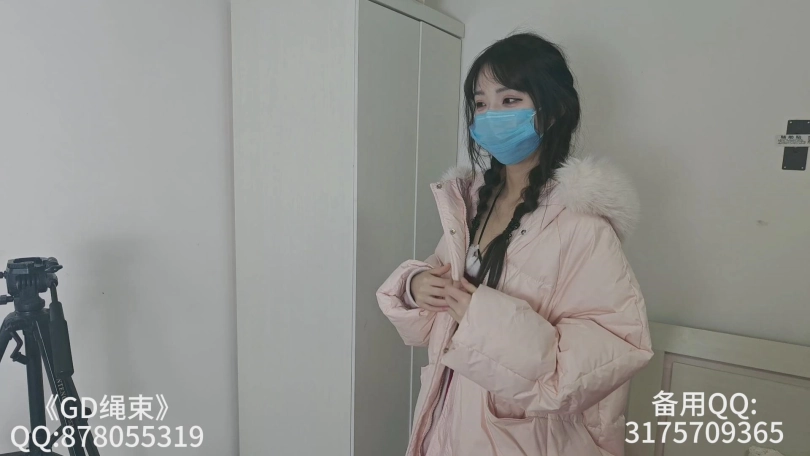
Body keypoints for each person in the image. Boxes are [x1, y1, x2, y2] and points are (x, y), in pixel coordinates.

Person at [376, 32, 653, 456]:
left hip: (525, 440)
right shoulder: (472, 204)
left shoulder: (581, 223)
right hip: (447, 423)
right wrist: (415, 286)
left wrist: (481, 319)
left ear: (553, 110)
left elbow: (613, 352)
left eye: (509, 100)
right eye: (480, 103)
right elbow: (434, 314)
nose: (490, 116)